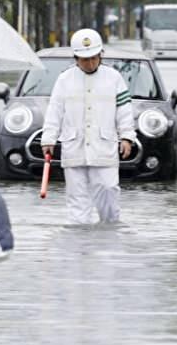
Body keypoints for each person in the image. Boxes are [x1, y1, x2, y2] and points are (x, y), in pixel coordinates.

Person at [40, 28, 135, 225]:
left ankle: (109, 238)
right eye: (85, 59)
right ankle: (79, 246)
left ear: (101, 55)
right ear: (75, 58)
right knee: (78, 202)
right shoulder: (64, 79)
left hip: (104, 147)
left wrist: (127, 136)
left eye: (94, 58)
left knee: (109, 191)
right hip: (74, 147)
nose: (90, 63)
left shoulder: (114, 78)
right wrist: (48, 139)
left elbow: (124, 110)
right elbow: (54, 111)